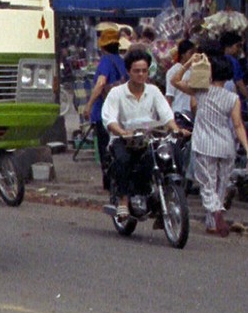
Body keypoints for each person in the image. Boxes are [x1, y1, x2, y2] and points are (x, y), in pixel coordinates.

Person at [101, 48, 182, 222]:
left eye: (144, 71)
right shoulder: (117, 93)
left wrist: (175, 128)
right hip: (123, 140)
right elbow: (109, 119)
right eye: (137, 71)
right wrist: (123, 132)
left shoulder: (153, 91)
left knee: (164, 157)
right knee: (123, 160)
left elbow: (166, 115)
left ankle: (154, 195)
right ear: (129, 71)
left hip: (148, 139)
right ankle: (123, 200)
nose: (141, 74)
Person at [188, 55, 248, 236]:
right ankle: (212, 224)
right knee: (220, 186)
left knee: (207, 184)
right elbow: (237, 124)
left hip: (204, 144)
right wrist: (246, 147)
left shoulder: (200, 91)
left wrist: (189, 65)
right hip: (226, 144)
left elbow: (175, 81)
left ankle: (215, 214)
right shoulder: (233, 97)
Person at [82, 28, 129, 186]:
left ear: (102, 46)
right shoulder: (122, 62)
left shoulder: (106, 61)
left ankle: (109, 181)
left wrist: (89, 105)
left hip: (104, 113)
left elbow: (101, 83)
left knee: (105, 149)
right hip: (120, 113)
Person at [165, 39, 198, 118]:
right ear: (183, 54)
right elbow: (169, 96)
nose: (194, 56)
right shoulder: (173, 71)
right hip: (178, 111)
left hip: (192, 113)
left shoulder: (195, 70)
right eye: (191, 53)